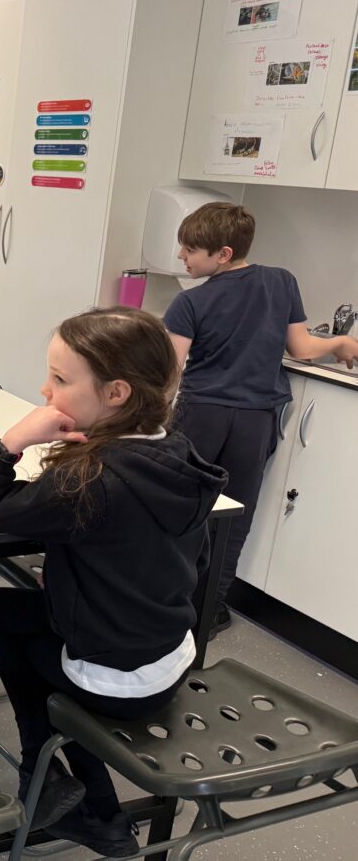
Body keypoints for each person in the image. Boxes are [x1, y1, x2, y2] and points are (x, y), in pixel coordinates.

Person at [0, 308, 227, 857]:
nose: (45, 389)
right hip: (170, 654)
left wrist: (11, 442)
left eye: (59, 379)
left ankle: (51, 778)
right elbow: (185, 559)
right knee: (9, 609)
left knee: (3, 621)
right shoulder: (175, 452)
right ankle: (84, 804)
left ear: (116, 393)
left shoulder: (90, 480)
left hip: (115, 680)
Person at [163, 202, 358, 635]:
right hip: (255, 421)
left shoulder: (189, 302)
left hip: (200, 417)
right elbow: (302, 349)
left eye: (190, 249)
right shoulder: (281, 281)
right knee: (234, 516)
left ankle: (162, 605)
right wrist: (341, 343)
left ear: (223, 254)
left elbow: (170, 376)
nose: (181, 255)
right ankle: (208, 613)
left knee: (179, 508)